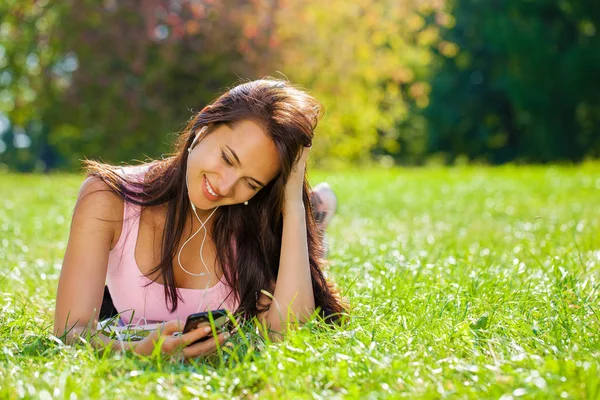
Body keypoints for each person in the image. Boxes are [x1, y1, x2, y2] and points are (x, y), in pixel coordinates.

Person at [54, 78, 346, 360]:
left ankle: (314, 213)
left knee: (307, 239)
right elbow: (70, 331)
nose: (226, 186)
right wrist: (140, 351)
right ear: (204, 125)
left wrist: (294, 202)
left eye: (251, 183)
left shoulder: (254, 216)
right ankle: (317, 209)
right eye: (228, 159)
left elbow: (288, 336)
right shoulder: (108, 197)